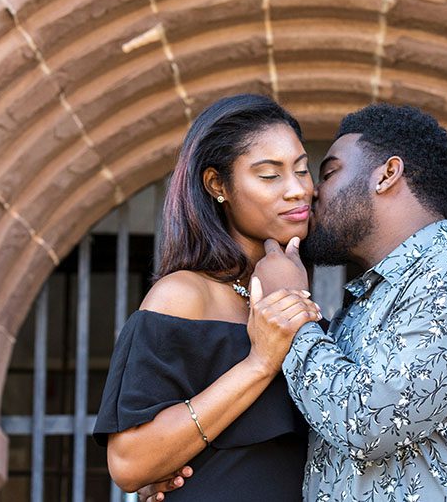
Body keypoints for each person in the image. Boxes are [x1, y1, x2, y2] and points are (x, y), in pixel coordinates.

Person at [145, 103, 447, 501]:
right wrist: (179, 468)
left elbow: (367, 422)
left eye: (328, 172)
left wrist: (288, 308)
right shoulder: (363, 305)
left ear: (387, 175)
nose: (310, 191)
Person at [93, 94, 322, 501]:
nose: (297, 190)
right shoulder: (183, 296)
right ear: (218, 185)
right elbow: (130, 464)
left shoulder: (294, 287)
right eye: (270, 175)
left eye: (302, 170)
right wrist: (260, 363)